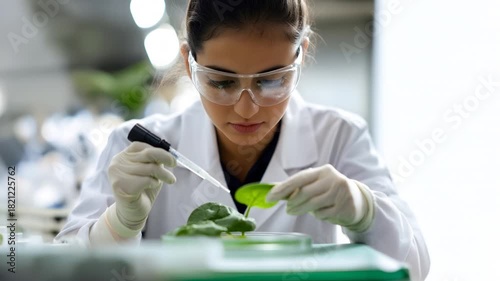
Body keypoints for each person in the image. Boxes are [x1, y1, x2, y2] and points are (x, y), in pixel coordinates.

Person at [56, 0, 430, 279]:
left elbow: (414, 266)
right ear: (189, 63)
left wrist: (366, 212)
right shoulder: (135, 145)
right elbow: (61, 271)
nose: (247, 109)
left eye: (272, 80)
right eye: (222, 82)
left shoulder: (339, 135)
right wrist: (120, 223)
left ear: (300, 57)